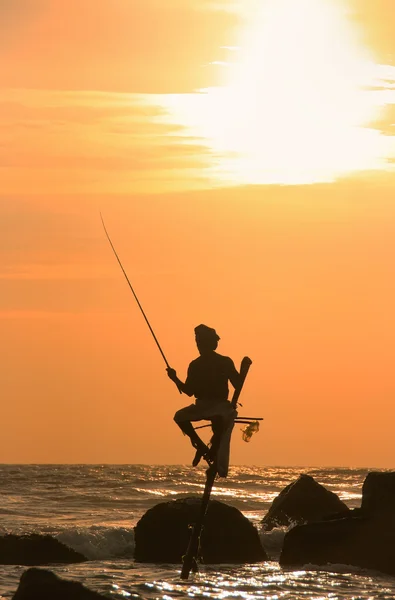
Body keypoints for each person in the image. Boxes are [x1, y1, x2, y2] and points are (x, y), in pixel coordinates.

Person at [167, 324, 251, 477]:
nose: (198, 345)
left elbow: (188, 391)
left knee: (216, 426)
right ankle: (201, 446)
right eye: (197, 342)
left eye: (200, 342)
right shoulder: (203, 364)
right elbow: (190, 392)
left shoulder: (208, 363)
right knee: (180, 416)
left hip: (217, 407)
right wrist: (174, 378)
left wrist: (174, 378)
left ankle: (207, 450)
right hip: (207, 406)